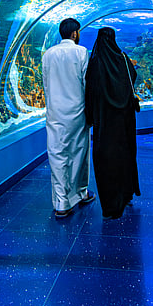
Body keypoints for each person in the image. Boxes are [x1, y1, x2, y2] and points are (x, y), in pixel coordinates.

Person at [41, 17, 95, 218]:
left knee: (57, 154)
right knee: (79, 153)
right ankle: (81, 193)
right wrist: (90, 111)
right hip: (77, 111)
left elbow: (46, 84)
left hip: (55, 112)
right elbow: (86, 84)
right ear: (74, 33)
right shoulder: (81, 52)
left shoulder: (48, 54)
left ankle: (61, 202)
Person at [85, 27, 140, 219]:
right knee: (125, 154)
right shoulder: (123, 58)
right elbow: (133, 76)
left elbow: (89, 91)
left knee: (106, 159)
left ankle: (110, 206)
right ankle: (126, 194)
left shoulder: (95, 62)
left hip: (104, 120)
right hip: (124, 118)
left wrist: (90, 116)